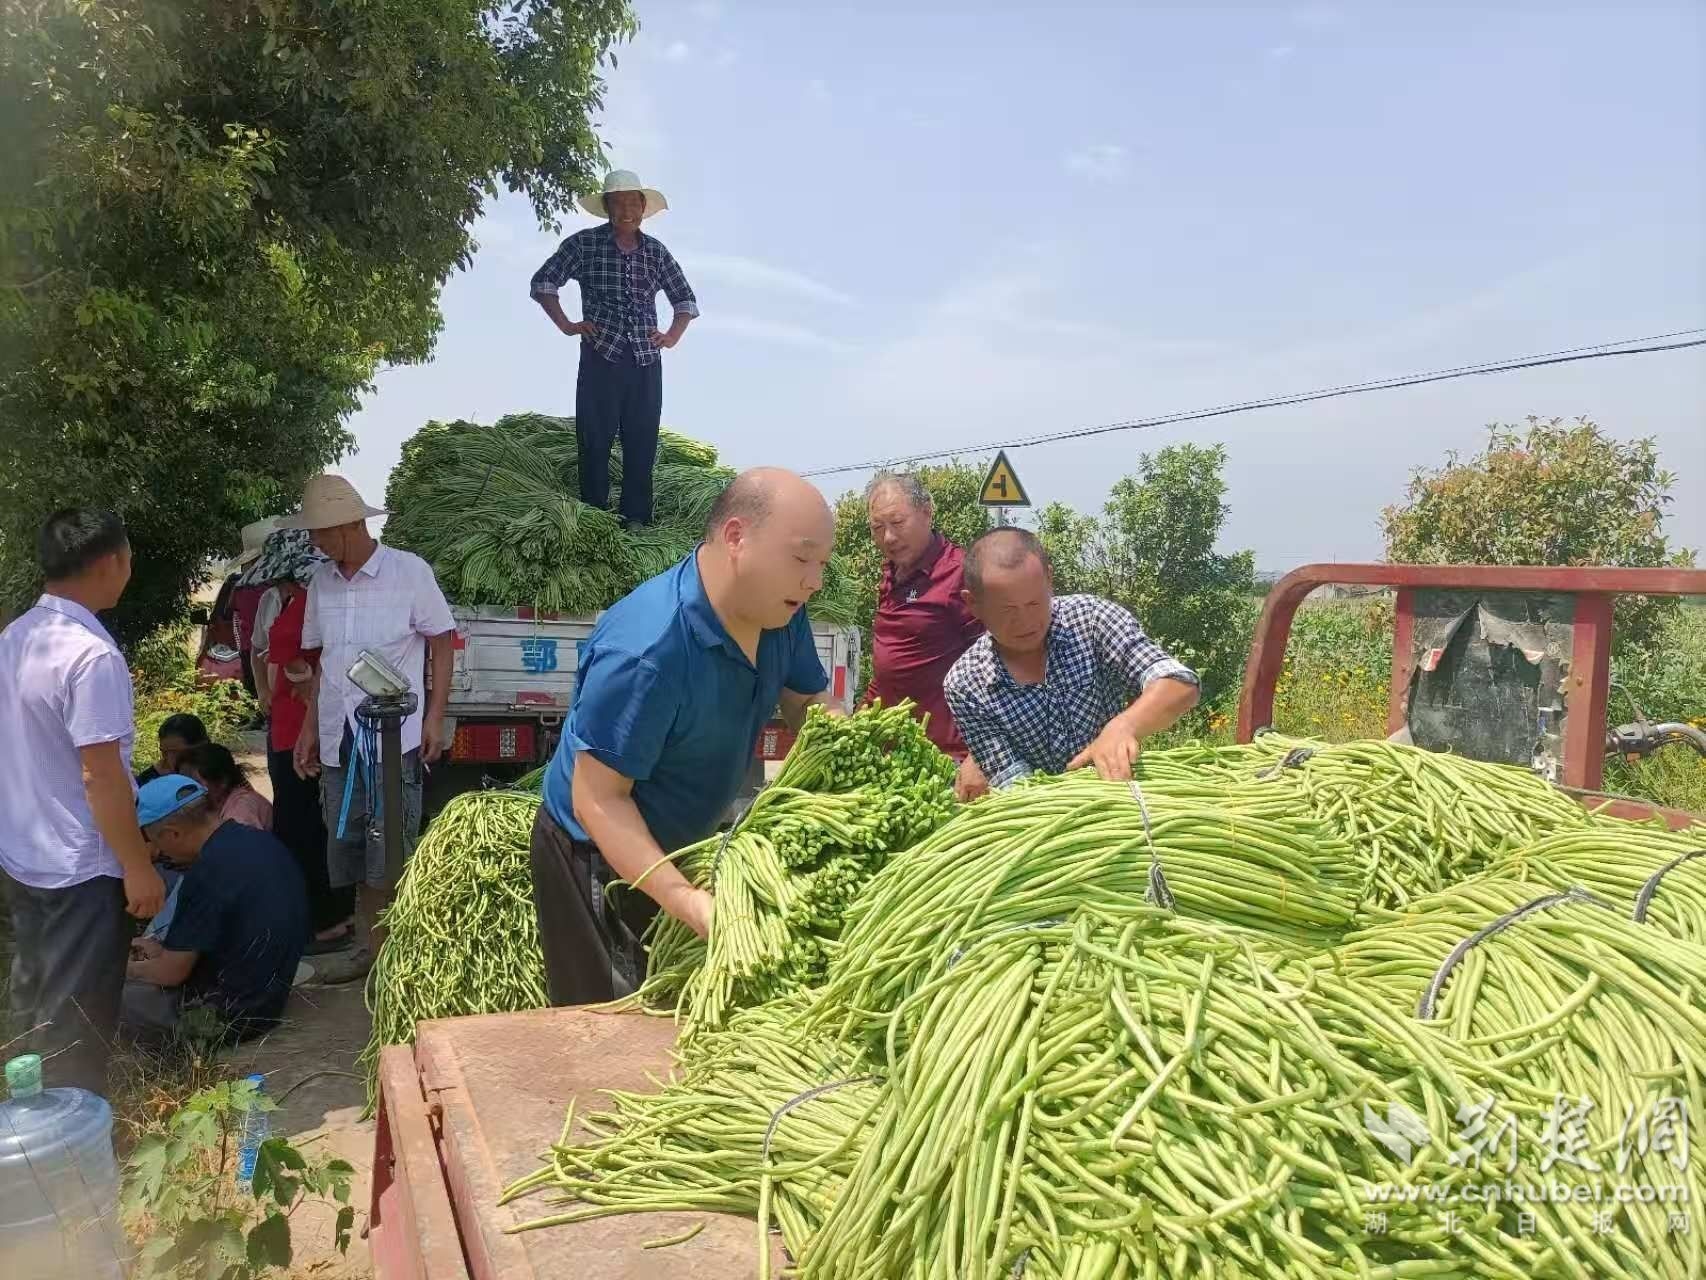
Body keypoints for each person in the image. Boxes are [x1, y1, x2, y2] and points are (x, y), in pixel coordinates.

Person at [532, 468, 838, 1005]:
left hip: (684, 839)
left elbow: (804, 701)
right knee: (614, 1021)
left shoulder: (782, 611)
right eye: (801, 558)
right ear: (737, 537)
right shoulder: (648, 652)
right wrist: (689, 902)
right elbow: (598, 799)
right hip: (596, 853)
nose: (813, 580)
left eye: (822, 565)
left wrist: (851, 740)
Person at [0, 509, 165, 1094]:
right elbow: (101, 777)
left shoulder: (16, 638)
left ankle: (28, 1120)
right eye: (128, 558)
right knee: (75, 1024)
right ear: (110, 562)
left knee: (35, 1001)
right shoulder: (91, 657)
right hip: (79, 868)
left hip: (24, 855)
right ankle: (68, 1160)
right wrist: (138, 866)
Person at [285, 474, 455, 984]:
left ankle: (397, 952)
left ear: (352, 525)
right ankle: (370, 947)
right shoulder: (322, 582)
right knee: (351, 844)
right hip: (340, 738)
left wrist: (434, 716)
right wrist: (309, 728)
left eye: (322, 532)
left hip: (392, 739)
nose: (315, 542)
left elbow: (442, 643)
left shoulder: (409, 573)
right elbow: (321, 665)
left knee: (392, 845)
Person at [943, 528, 1200, 801]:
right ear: (973, 603)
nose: (1026, 621)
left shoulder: (1092, 620)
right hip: (1047, 819)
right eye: (1007, 610)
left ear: (1049, 580)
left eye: (1034, 603)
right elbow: (1014, 784)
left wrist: (1124, 726)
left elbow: (1180, 683)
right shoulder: (965, 684)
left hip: (1124, 795)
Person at [530, 168, 700, 529]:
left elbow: (685, 300)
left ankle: (635, 517)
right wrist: (567, 324)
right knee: (595, 437)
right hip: (600, 356)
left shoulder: (655, 252)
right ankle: (593, 513)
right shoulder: (584, 244)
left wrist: (671, 335)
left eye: (632, 203)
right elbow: (544, 282)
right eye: (618, 202)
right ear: (607, 207)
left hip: (644, 359)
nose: (626, 210)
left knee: (642, 439)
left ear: (643, 207)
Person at [121, 776, 308, 1046]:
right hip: (268, 997)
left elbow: (170, 973)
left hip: (228, 1016)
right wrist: (158, 949)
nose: (158, 852)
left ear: (173, 833)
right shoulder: (257, 841)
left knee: (105, 997)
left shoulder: (205, 873)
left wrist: (122, 969)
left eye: (155, 842)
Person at [251, 532, 355, 953]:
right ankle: (341, 912)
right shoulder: (331, 608)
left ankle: (323, 923)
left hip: (295, 737)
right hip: (321, 733)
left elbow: (286, 677)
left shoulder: (296, 615)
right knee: (324, 824)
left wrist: (298, 690)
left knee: (300, 830)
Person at [861, 471, 985, 773]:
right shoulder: (890, 574)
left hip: (947, 759)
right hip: (894, 753)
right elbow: (891, 666)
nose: (888, 537)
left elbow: (999, 662)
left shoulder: (958, 573)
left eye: (898, 523)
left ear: (927, 512)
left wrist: (980, 756)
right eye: (878, 527)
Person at [180, 743, 272, 831]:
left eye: (194, 783)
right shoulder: (215, 804)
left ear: (223, 782)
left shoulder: (240, 811)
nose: (185, 789)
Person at [135, 713, 210, 786]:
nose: (169, 762)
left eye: (175, 753)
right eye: (164, 753)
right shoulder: (145, 782)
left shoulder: (217, 775)